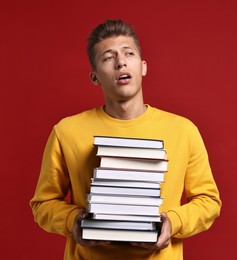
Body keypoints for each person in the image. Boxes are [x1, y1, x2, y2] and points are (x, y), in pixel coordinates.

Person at [30, 19, 222, 259]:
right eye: (108, 58)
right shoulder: (66, 131)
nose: (120, 62)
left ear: (143, 67)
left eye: (128, 53)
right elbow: (43, 204)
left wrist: (173, 222)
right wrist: (74, 221)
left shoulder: (183, 130)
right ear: (95, 77)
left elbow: (209, 201)